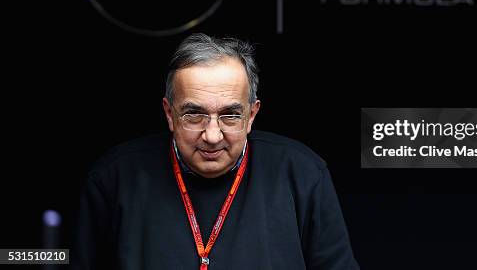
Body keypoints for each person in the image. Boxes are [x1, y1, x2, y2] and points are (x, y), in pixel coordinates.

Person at [71, 33, 360, 269]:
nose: (212, 135)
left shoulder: (303, 173)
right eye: (194, 115)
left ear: (252, 115)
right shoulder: (114, 178)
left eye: (230, 115)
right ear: (169, 114)